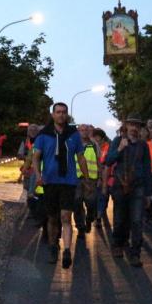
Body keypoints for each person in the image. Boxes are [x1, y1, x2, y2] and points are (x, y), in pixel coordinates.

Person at [32, 103, 90, 269]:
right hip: (50, 181)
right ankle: (52, 246)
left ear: (67, 115)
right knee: (52, 218)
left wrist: (86, 179)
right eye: (58, 112)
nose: (61, 115)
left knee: (66, 216)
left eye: (64, 112)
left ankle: (66, 250)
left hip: (68, 181)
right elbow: (36, 157)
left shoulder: (74, 135)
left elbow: (81, 157)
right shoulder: (44, 135)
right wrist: (37, 175)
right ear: (53, 115)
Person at [105, 115, 152, 267]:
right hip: (120, 186)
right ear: (126, 126)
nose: (134, 128)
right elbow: (109, 161)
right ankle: (118, 244)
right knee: (120, 219)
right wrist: (119, 149)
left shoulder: (143, 145)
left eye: (137, 125)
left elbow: (146, 169)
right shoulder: (118, 141)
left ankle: (135, 253)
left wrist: (148, 193)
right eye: (131, 124)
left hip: (137, 187)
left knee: (137, 221)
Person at [74, 124, 101, 235]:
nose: (83, 132)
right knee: (77, 204)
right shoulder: (73, 144)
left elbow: (99, 162)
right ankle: (80, 227)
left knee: (91, 203)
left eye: (85, 130)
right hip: (75, 180)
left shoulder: (94, 145)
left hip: (90, 180)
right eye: (81, 130)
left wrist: (100, 178)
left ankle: (89, 219)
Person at [92, 128, 111, 225]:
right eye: (95, 137)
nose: (96, 139)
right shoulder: (92, 147)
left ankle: (99, 215)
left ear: (102, 138)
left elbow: (108, 161)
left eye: (98, 138)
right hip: (94, 176)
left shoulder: (108, 147)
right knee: (95, 197)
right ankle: (98, 214)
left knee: (102, 196)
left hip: (105, 175)